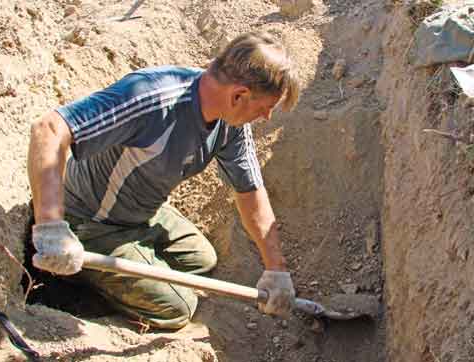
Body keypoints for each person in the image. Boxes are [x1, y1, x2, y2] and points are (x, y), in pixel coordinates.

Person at [26, 31, 300, 329]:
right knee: (179, 306)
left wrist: (277, 270)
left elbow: (250, 192)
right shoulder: (152, 98)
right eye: (265, 108)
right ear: (239, 95)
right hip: (90, 219)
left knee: (202, 260)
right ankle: (66, 286)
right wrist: (51, 227)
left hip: (142, 213)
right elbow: (49, 128)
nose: (267, 117)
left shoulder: (229, 123)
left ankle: (126, 260)